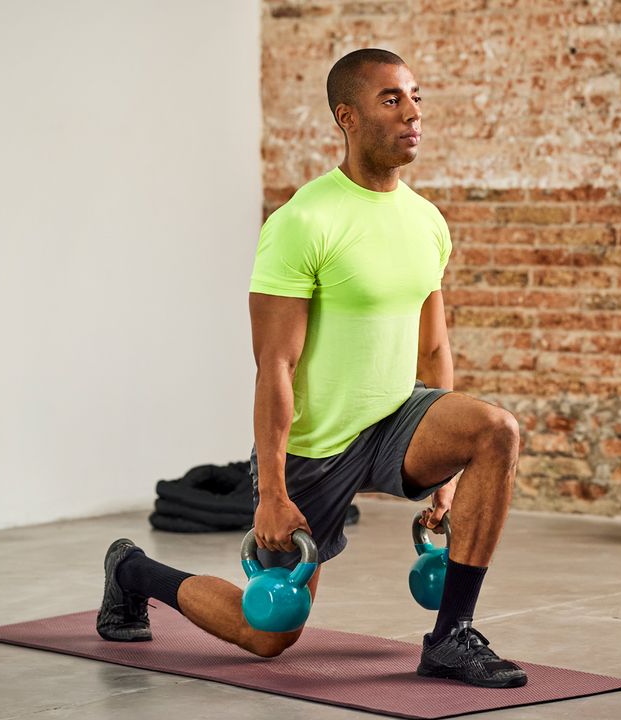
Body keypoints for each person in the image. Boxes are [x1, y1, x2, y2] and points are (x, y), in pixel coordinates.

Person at [97, 48, 526, 689]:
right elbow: (275, 364)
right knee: (267, 635)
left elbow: (433, 352)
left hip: (393, 417)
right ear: (346, 117)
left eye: (416, 97)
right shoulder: (303, 221)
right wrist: (272, 492)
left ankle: (451, 637)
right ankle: (133, 572)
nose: (413, 114)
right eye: (392, 100)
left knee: (496, 429)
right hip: (314, 448)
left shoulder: (427, 222)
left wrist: (449, 478)